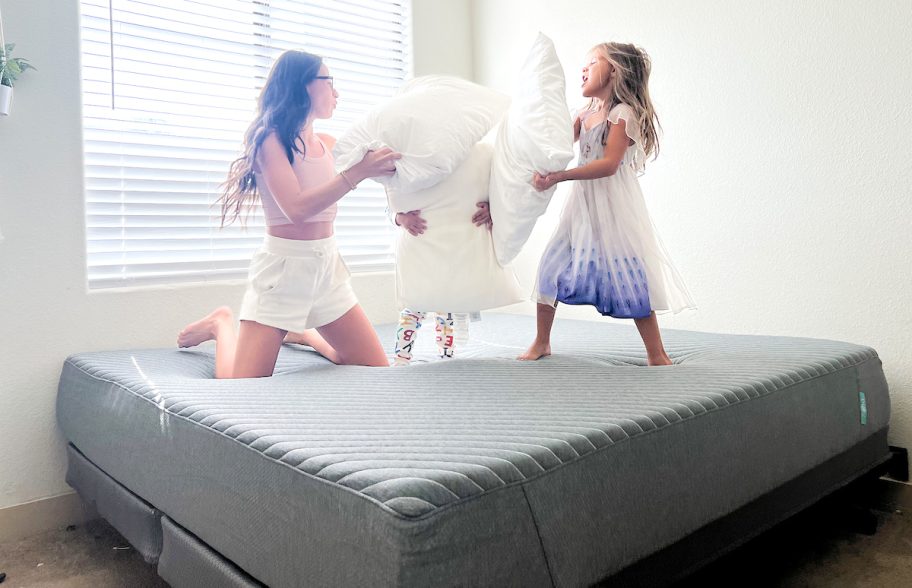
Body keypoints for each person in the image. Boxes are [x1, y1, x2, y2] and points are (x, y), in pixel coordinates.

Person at [177, 50, 400, 377]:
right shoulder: (270, 141)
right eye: (329, 82)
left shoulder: (327, 143)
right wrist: (358, 172)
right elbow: (296, 209)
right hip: (284, 272)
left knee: (373, 366)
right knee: (242, 384)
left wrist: (401, 214)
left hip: (326, 267)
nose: (337, 93)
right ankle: (221, 324)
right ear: (304, 86)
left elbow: (384, 175)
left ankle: (303, 334)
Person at [519, 42, 695, 365]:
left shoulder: (621, 115)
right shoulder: (584, 114)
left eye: (591, 63)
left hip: (613, 205)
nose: (582, 70)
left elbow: (609, 164)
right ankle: (542, 341)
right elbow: (554, 142)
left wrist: (560, 176)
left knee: (630, 275)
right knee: (550, 267)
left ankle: (657, 353)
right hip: (582, 206)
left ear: (613, 70)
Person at [389, 205, 491, 365]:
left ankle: (446, 352)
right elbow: (390, 207)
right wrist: (400, 218)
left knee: (445, 304)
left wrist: (490, 209)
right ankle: (401, 357)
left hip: (452, 250)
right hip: (419, 249)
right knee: (414, 305)